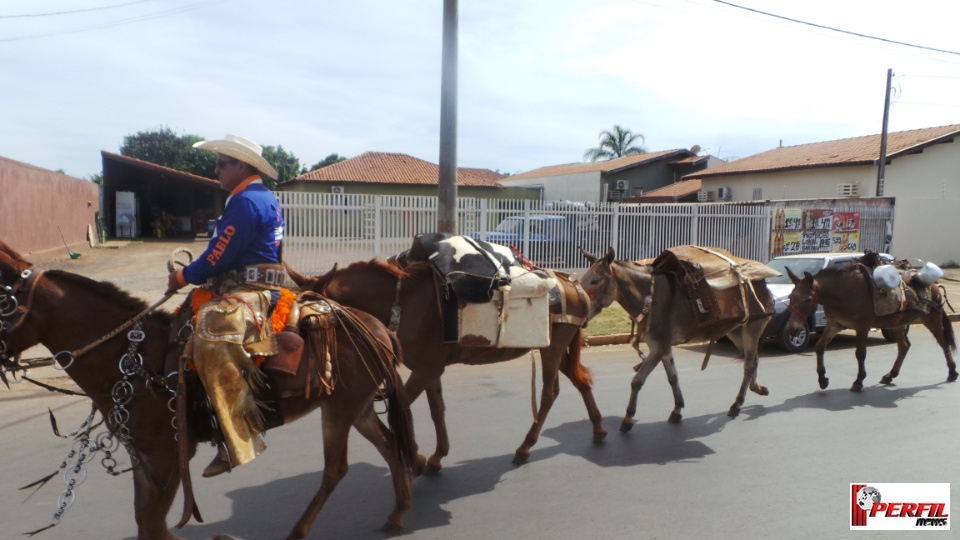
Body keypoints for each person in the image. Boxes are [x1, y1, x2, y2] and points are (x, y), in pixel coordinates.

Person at [166, 134, 288, 478]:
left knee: (210, 338)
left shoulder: (246, 202)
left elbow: (221, 255)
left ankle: (237, 439)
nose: (216, 170)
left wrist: (182, 277)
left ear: (241, 166)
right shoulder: (258, 197)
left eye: (221, 164)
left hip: (249, 289)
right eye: (217, 163)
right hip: (249, 283)